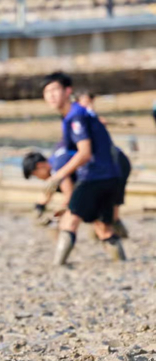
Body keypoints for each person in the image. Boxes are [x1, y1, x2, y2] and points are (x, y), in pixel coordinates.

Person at [41, 72, 124, 265]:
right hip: (111, 175)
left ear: (68, 91)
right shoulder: (78, 114)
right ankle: (123, 265)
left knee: (69, 220)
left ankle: (57, 267)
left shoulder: (75, 116)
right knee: (104, 229)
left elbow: (84, 153)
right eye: (47, 92)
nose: (51, 95)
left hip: (94, 176)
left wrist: (57, 176)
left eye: (55, 90)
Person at [72, 89, 131, 238]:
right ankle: (106, 230)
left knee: (113, 196)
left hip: (110, 163)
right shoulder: (80, 117)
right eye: (86, 100)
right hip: (99, 165)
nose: (89, 103)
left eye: (90, 100)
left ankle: (112, 227)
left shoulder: (88, 116)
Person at [22, 143, 76, 226]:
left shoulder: (58, 168)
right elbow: (47, 193)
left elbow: (69, 196)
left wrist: (56, 216)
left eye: (35, 175)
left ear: (39, 166)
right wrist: (39, 207)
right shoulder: (54, 160)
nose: (38, 178)